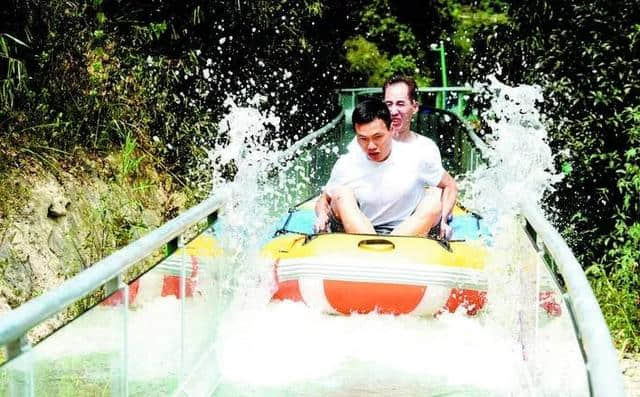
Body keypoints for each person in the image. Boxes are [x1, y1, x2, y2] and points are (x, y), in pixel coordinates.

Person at [314, 98, 451, 237]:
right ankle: (371, 242)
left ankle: (393, 243)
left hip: (407, 228)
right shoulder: (346, 163)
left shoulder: (417, 157)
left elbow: (449, 185)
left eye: (377, 137)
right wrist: (322, 215)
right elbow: (323, 199)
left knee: (434, 198)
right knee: (341, 194)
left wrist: (444, 219)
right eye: (363, 139)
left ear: (391, 129)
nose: (371, 146)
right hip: (358, 227)